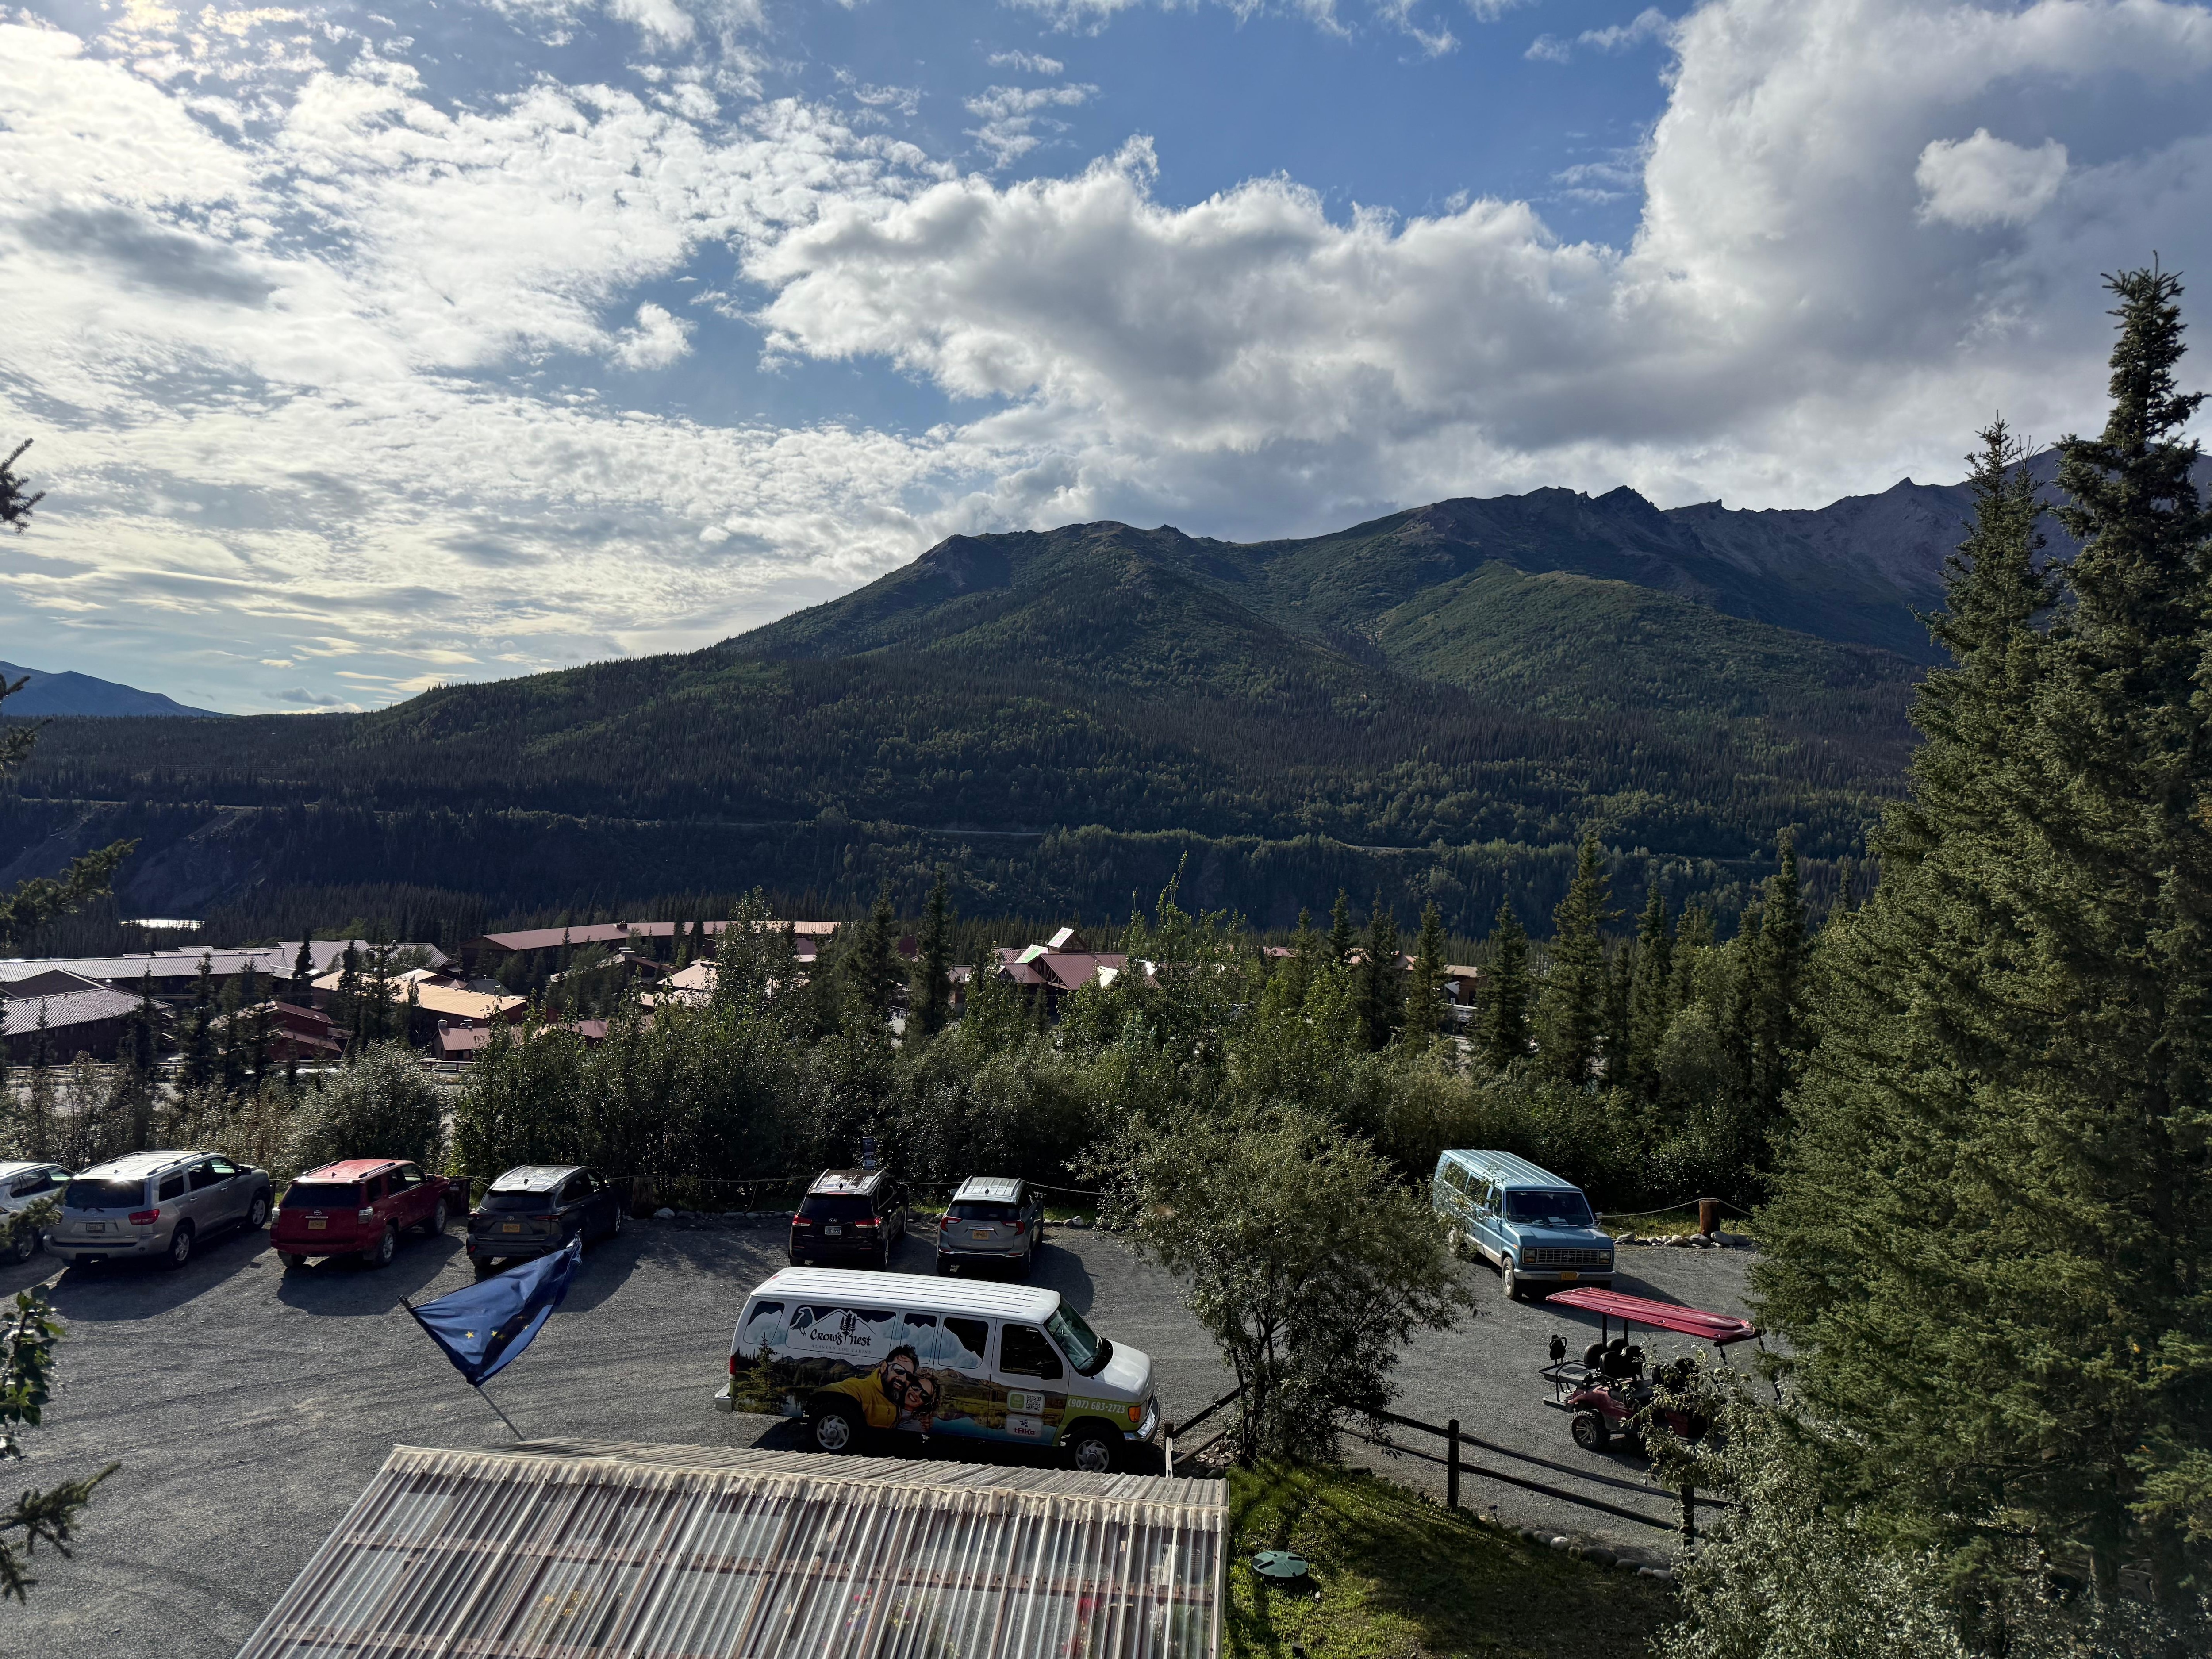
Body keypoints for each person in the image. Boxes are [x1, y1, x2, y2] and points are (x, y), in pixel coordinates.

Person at [825, 1345, 919, 1429]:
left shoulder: (896, 1396)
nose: (903, 1379)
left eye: (909, 1376)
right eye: (899, 1370)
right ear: (884, 1367)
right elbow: (834, 1392)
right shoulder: (859, 1390)